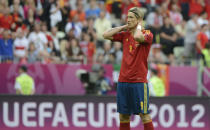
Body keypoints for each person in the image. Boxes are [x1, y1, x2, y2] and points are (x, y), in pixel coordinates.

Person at [103, 7, 154, 130]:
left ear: (139, 20)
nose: (128, 19)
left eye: (131, 17)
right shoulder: (124, 35)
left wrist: (139, 26)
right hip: (123, 81)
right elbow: (105, 35)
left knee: (144, 115)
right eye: (127, 17)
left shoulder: (147, 34)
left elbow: (137, 37)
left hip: (139, 82)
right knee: (123, 116)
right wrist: (122, 27)